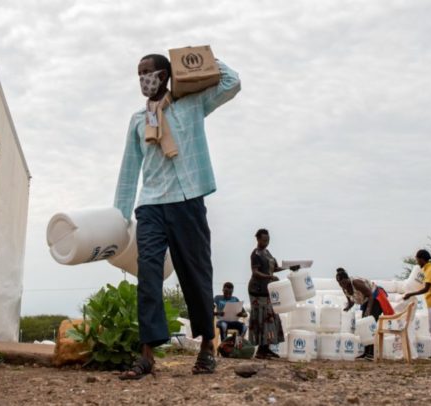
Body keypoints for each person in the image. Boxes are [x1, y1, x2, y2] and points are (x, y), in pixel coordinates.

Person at [115, 53, 240, 379]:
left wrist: (196, 60)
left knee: (196, 275)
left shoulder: (192, 105)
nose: (144, 78)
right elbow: (129, 170)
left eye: (149, 71)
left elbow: (232, 83)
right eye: (139, 73)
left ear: (165, 74)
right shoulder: (137, 120)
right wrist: (120, 216)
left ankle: (206, 347)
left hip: (187, 200)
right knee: (149, 275)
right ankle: (146, 355)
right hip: (151, 205)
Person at [248, 228, 299, 359]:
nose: (266, 242)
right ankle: (261, 350)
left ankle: (266, 348)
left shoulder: (267, 253)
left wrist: (289, 267)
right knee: (262, 319)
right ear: (258, 239)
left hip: (268, 289)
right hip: (257, 290)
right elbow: (255, 272)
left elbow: (274, 268)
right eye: (264, 240)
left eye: (268, 240)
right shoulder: (256, 254)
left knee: (271, 318)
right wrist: (269, 277)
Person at [336, 268, 394, 360]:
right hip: (366, 301)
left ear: (347, 279)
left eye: (343, 282)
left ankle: (371, 353)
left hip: (375, 298)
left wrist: (368, 310)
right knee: (364, 326)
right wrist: (346, 308)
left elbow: (370, 294)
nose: (342, 285)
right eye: (340, 283)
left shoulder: (356, 283)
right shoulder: (345, 289)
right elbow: (351, 302)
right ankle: (366, 352)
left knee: (369, 325)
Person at [404, 249, 431, 360]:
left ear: (422, 259)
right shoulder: (427, 269)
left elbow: (426, 288)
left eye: (418, 259)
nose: (417, 262)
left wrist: (410, 294)